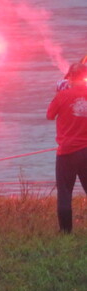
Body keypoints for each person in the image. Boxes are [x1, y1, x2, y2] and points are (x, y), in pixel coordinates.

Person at [47, 62, 87, 233]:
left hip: (66, 152)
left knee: (64, 192)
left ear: (70, 77)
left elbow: (49, 115)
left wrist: (59, 93)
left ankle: (65, 231)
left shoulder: (62, 96)